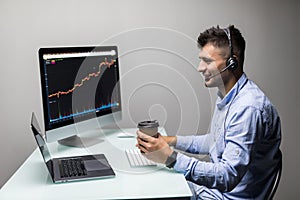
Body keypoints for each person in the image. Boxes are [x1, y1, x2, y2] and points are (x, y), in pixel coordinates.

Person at [136, 25, 282, 199]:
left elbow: (228, 176)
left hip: (225, 196)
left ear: (231, 63)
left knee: (150, 190)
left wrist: (170, 157)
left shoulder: (247, 109)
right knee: (153, 183)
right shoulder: (227, 96)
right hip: (214, 191)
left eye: (208, 61)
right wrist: (170, 141)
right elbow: (215, 141)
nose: (200, 68)